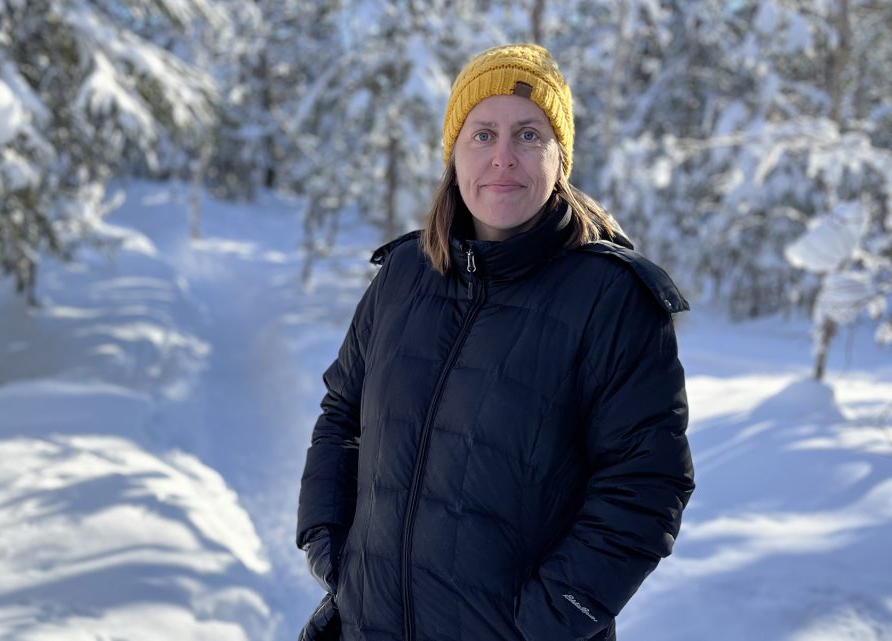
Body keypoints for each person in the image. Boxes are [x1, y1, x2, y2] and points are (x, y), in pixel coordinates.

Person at [295, 43, 694, 641]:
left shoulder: (610, 297)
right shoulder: (403, 275)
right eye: (482, 134)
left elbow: (646, 482)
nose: (503, 157)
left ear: (560, 156)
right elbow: (341, 418)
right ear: (454, 152)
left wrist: (549, 619)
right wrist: (330, 550)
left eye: (529, 135)